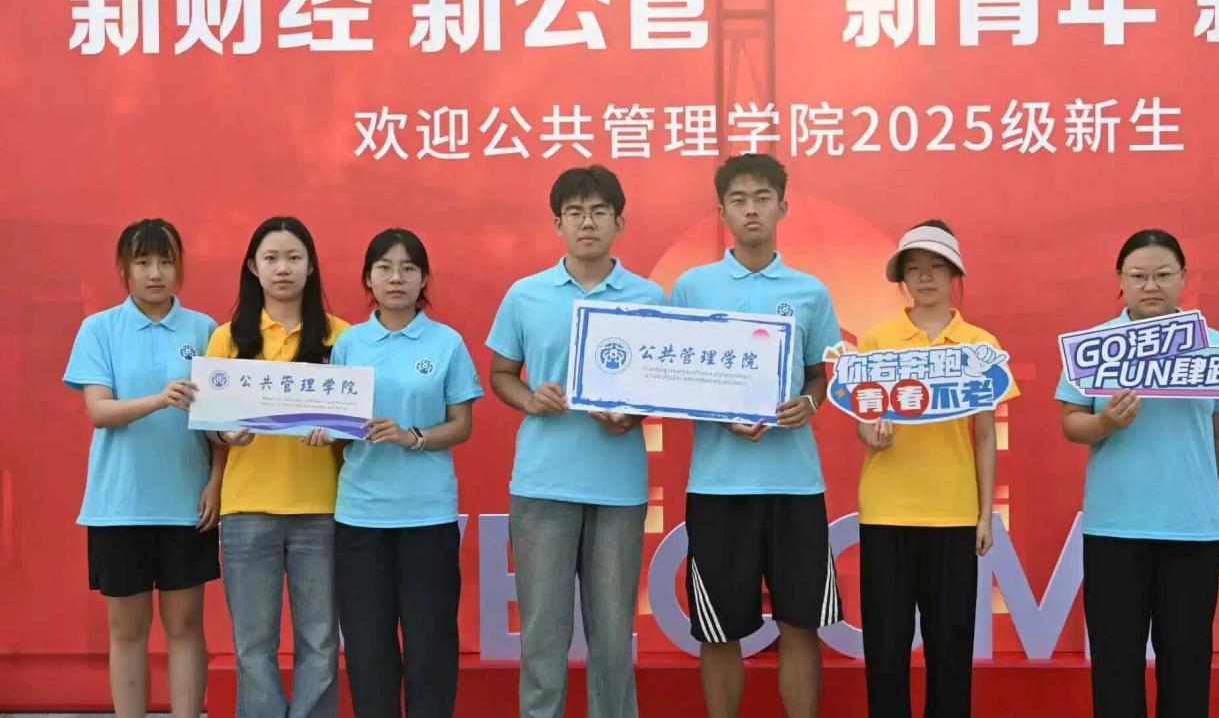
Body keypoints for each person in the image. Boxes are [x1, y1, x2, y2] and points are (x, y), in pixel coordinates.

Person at [486, 165, 665, 718]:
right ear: (557, 224)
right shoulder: (526, 295)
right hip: (543, 484)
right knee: (543, 635)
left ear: (619, 222)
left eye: (599, 212)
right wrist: (530, 398)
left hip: (617, 489)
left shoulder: (649, 296)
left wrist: (633, 414)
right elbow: (501, 374)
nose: (587, 223)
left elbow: (663, 383)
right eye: (575, 213)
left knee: (613, 636)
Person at [667, 154, 842, 718]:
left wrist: (807, 404)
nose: (751, 210)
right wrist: (720, 413)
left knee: (801, 623)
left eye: (762, 198)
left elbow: (819, 375)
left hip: (794, 484)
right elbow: (671, 374)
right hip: (718, 486)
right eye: (738, 200)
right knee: (719, 629)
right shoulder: (692, 287)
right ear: (721, 211)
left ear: (782, 207)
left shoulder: (810, 291)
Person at [1057, 229, 1219, 718]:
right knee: (1115, 661)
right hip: (1115, 526)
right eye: (1138, 275)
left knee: (1187, 659)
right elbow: (1071, 423)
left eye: (1163, 274)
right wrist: (1105, 422)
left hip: (1191, 526)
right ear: (1120, 280)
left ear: (1183, 278)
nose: (1151, 285)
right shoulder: (1095, 346)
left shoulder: (1214, 346)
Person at [304, 228, 482, 718]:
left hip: (427, 516)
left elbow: (461, 424)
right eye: (384, 268)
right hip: (361, 516)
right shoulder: (349, 344)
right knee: (368, 648)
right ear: (368, 278)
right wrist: (322, 429)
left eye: (408, 268)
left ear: (423, 278)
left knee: (430, 644)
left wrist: (412, 437)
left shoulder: (446, 343)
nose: (396, 277)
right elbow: (340, 424)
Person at [854, 220, 1017, 718]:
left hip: (952, 513)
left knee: (950, 648)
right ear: (902, 278)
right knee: (886, 647)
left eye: (936, 267)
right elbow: (863, 420)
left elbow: (985, 435)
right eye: (915, 268)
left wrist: (984, 514)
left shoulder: (978, 344)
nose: (925, 277)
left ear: (954, 275)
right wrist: (874, 435)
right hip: (886, 511)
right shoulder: (877, 340)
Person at [63, 218, 221, 718]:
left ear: (180, 267)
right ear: (124, 269)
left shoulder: (205, 330)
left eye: (166, 261)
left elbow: (219, 422)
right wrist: (158, 399)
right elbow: (99, 411)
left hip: (186, 504)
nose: (155, 273)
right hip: (120, 505)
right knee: (128, 632)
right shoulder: (100, 329)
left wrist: (216, 482)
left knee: (186, 628)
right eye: (143, 262)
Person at [208, 216, 349, 718]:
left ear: (311, 267)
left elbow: (356, 423)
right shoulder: (228, 338)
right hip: (247, 509)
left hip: (321, 508)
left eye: (294, 258)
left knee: (320, 642)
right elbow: (210, 425)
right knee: (252, 645)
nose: (282, 268)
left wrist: (337, 431)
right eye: (271, 258)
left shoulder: (341, 336)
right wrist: (226, 434)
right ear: (253, 266)